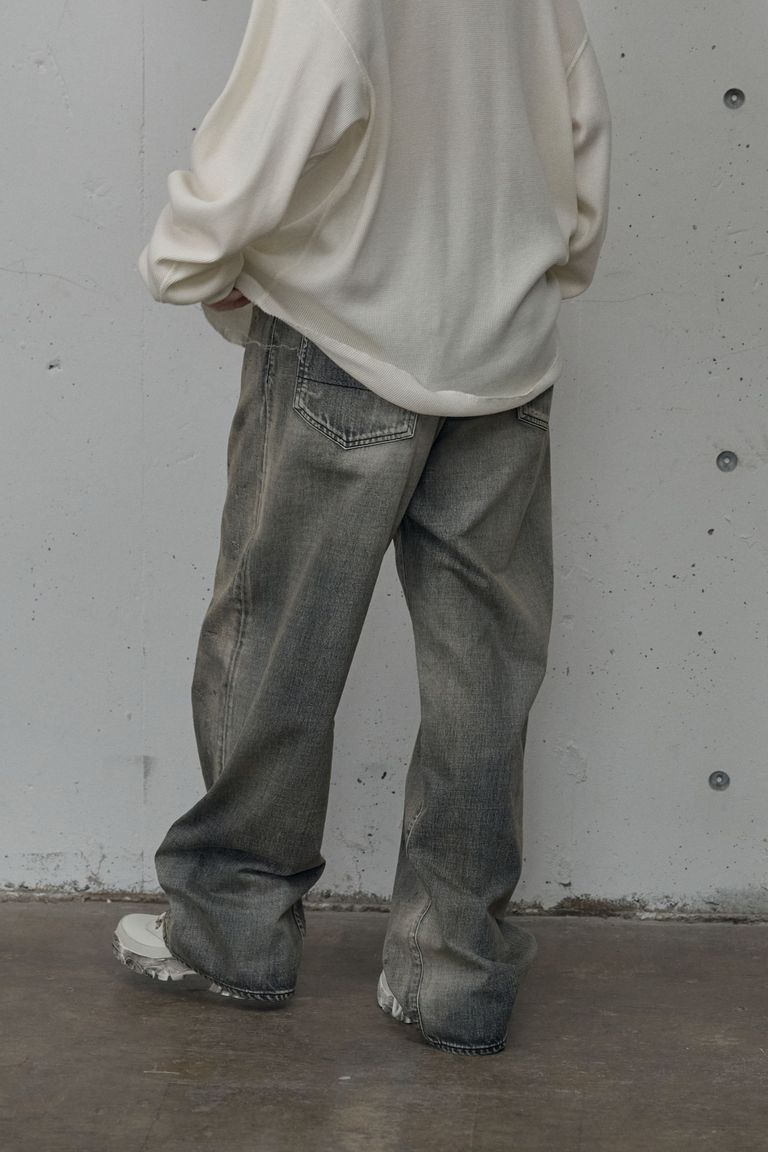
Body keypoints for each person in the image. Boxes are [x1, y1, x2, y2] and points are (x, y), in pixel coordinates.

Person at [112, 0, 611, 1056]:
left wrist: (188, 260)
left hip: (345, 339)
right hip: (504, 352)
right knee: (485, 671)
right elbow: (577, 123)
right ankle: (456, 972)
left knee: (275, 642)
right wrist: (542, 272)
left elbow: (277, 113)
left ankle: (232, 929)